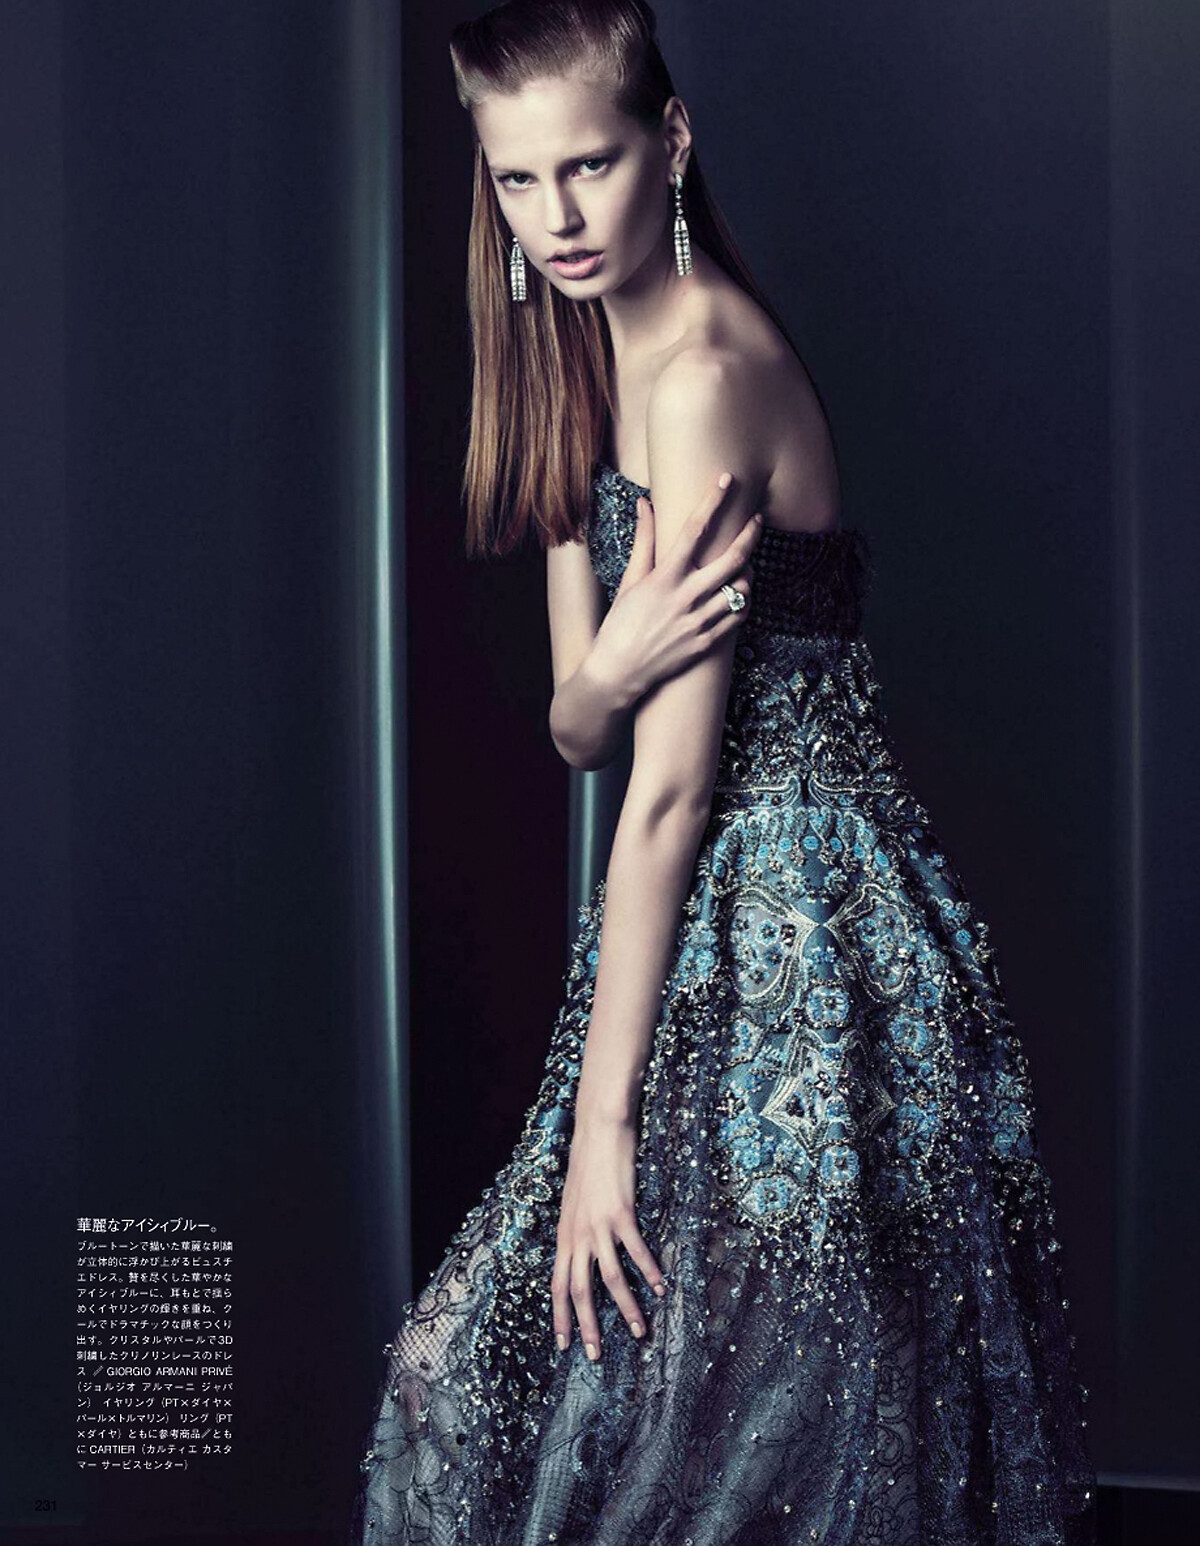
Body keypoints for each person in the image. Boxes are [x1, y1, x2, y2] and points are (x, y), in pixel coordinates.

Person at [350, 2, 1099, 1541]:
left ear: (671, 141)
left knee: (751, 1439)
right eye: (518, 180)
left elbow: (670, 789)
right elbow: (579, 724)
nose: (558, 218)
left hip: (803, 944)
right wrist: (610, 668)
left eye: (592, 165)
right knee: (485, 1382)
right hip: (684, 921)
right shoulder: (578, 356)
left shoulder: (699, 379)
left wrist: (601, 1135)